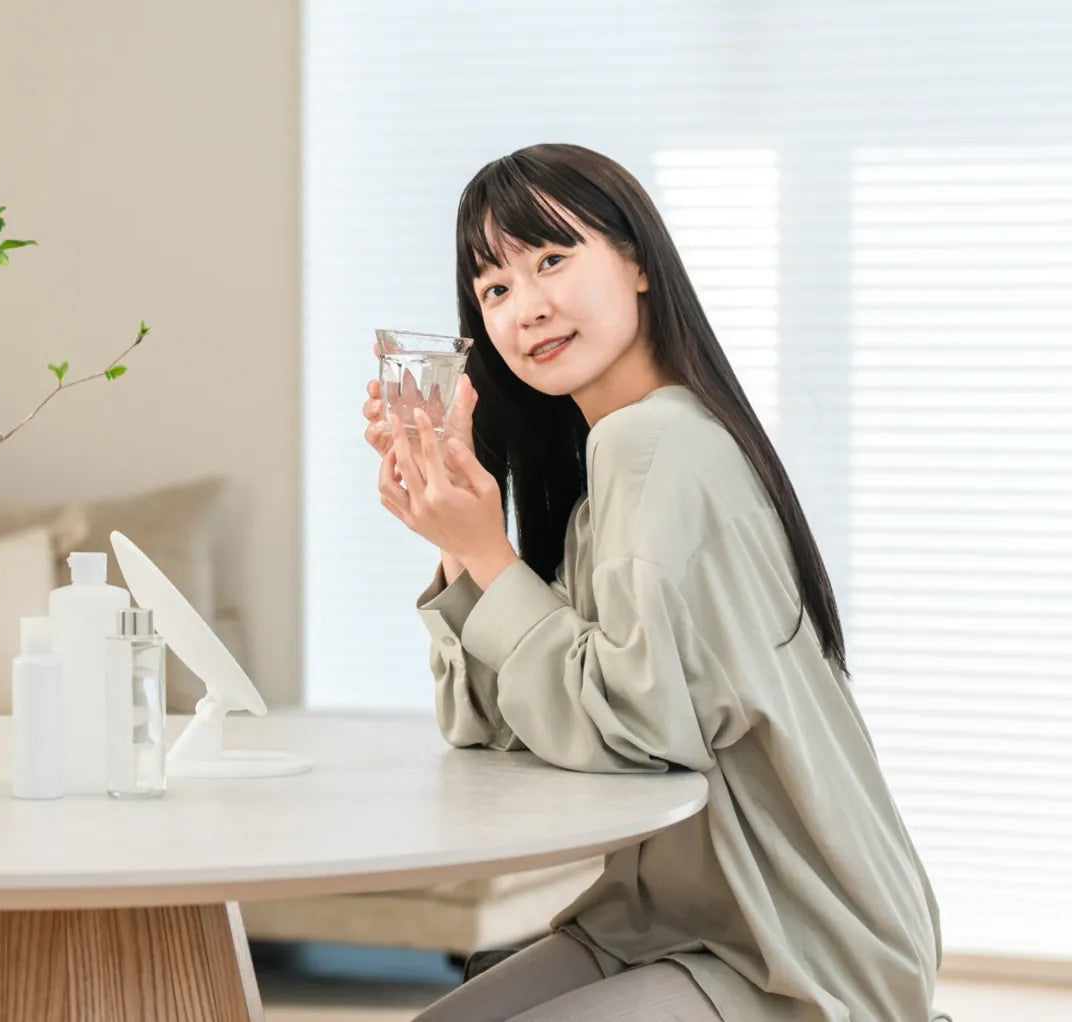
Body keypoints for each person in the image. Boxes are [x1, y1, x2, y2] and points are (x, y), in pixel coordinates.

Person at [361, 144, 943, 1021]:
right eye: (496, 289)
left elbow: (634, 729)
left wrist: (488, 552)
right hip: (662, 922)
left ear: (636, 261)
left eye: (552, 258)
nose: (529, 308)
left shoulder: (658, 447)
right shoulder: (609, 474)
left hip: (790, 947)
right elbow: (487, 724)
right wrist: (457, 524)